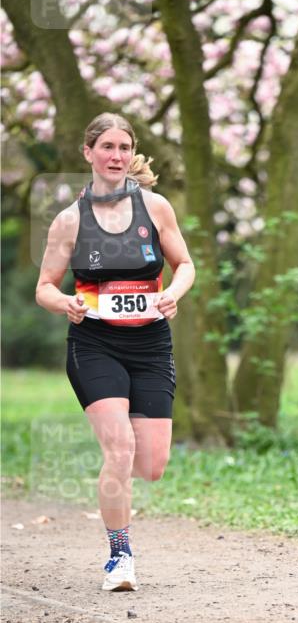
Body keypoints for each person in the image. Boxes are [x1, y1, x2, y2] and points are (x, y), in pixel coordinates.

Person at [36, 113, 195, 592]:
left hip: (149, 342)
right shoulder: (69, 221)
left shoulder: (156, 208)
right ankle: (119, 556)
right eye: (106, 146)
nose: (116, 155)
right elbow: (45, 287)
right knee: (120, 449)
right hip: (95, 342)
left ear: (132, 153)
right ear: (88, 153)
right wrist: (65, 302)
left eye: (124, 147)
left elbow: (185, 264)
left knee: (151, 465)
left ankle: (118, 481)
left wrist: (174, 294)